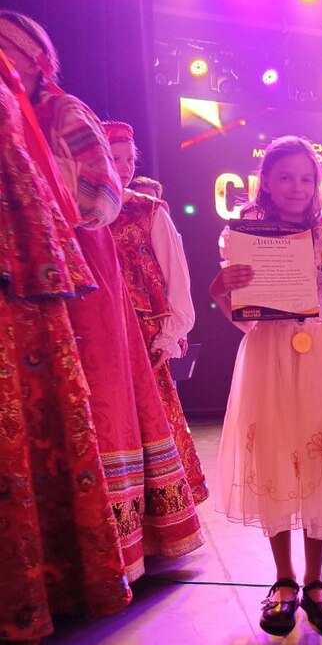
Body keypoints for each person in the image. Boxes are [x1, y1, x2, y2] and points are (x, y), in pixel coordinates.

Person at [0, 11, 203, 579]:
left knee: (107, 402)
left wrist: (33, 190)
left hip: (85, 286)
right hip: (31, 279)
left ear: (33, 62)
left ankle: (119, 541)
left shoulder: (64, 115)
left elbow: (100, 203)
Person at [0, 53, 132, 645]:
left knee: (85, 399)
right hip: (44, 263)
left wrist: (50, 204)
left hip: (64, 261)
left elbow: (102, 198)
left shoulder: (63, 111)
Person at [210, 136, 322, 636]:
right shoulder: (244, 234)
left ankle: (317, 580)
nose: (297, 187)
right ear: (267, 182)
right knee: (275, 459)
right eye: (286, 177)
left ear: (317, 184)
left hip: (321, 357)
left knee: (320, 460)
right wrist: (220, 293)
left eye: (306, 178)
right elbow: (247, 320)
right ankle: (283, 579)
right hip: (268, 357)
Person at [103, 120, 208, 504]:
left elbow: (176, 276)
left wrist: (170, 334)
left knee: (150, 418)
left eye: (129, 160)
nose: (124, 167)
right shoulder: (75, 210)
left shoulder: (147, 210)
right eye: (114, 158)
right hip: (98, 333)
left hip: (141, 334)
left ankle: (158, 511)